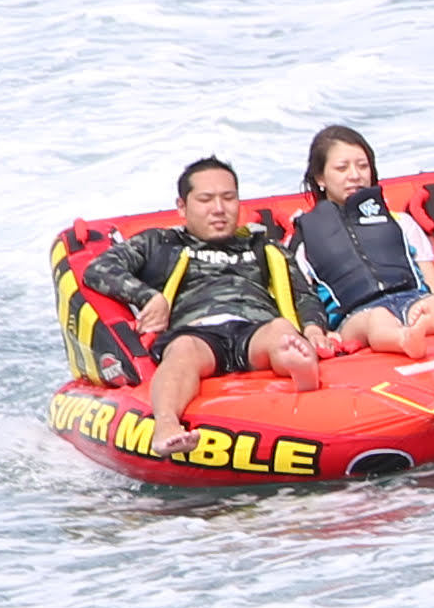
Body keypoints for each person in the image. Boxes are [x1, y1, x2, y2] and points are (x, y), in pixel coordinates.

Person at [85, 156, 324, 430]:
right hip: (196, 333)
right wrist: (149, 296)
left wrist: (314, 329)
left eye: (228, 198)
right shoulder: (159, 243)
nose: (219, 209)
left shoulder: (264, 247)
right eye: (206, 199)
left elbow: (303, 295)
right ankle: (166, 425)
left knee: (282, 332)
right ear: (182, 207)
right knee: (183, 350)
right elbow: (99, 269)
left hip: (256, 330)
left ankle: (301, 372)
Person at [284, 124, 434, 354]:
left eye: (363, 166)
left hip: (412, 300)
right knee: (378, 319)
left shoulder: (400, 223)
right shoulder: (304, 240)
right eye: (342, 168)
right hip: (355, 316)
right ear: (320, 178)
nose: (355, 176)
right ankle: (404, 339)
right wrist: (316, 333)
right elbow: (305, 301)